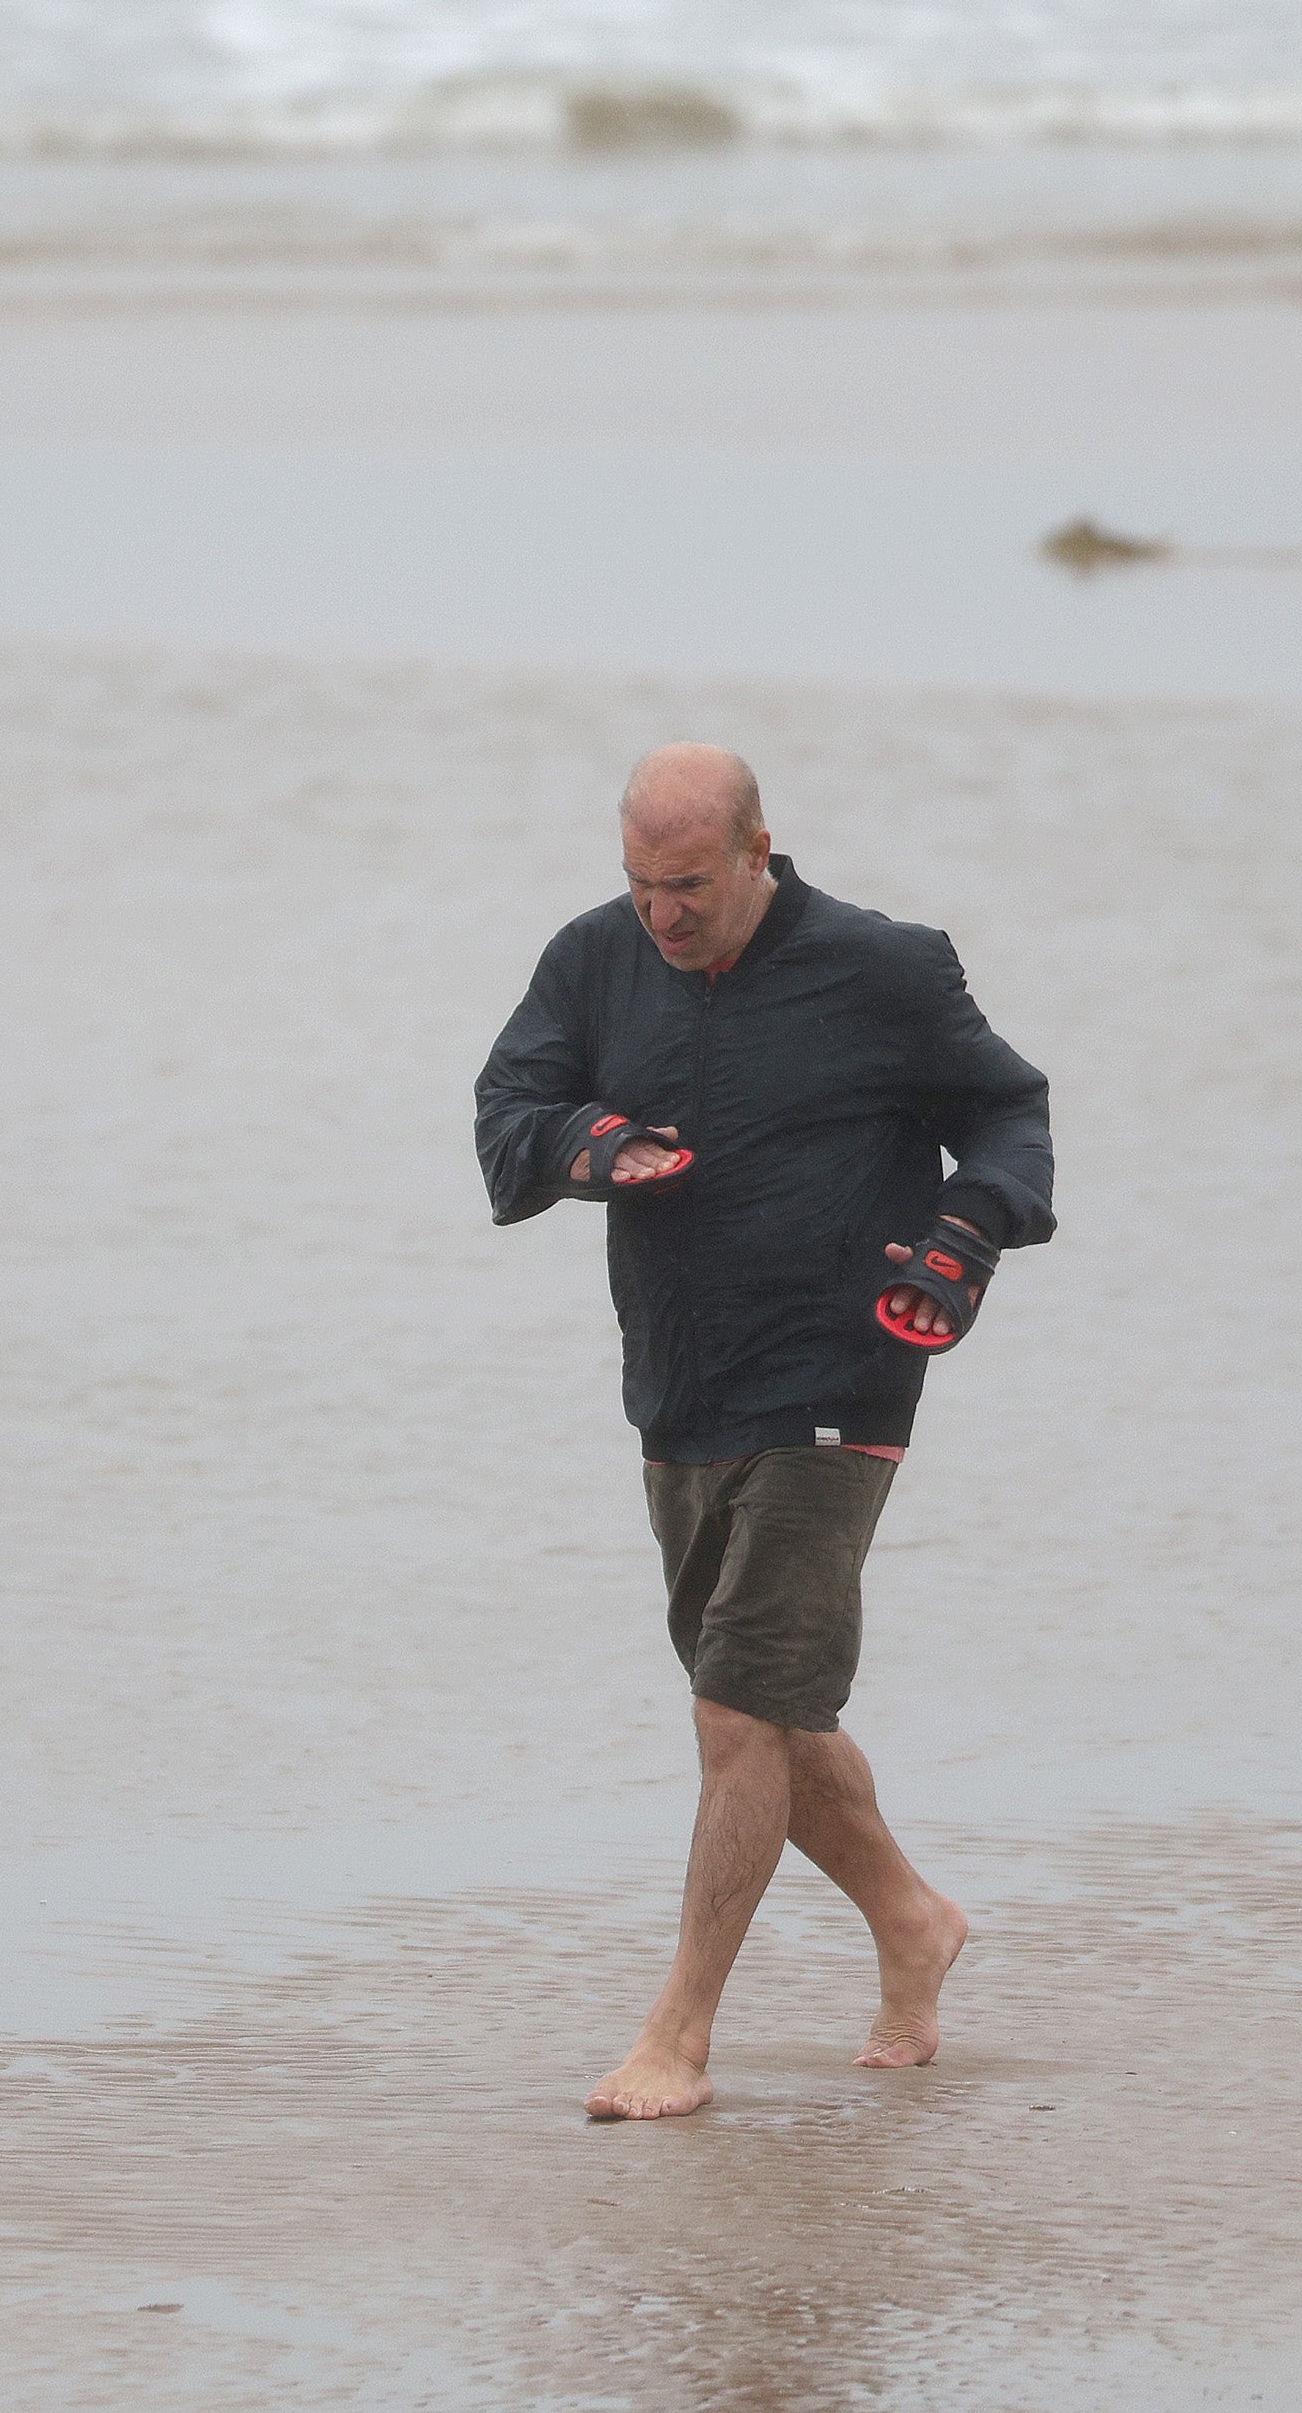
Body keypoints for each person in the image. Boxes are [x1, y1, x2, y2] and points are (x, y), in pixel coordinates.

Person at [474, 744, 1054, 2121]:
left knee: (735, 1709)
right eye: (639, 885)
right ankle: (913, 1919)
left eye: (686, 886)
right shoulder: (593, 961)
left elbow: (1010, 1113)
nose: (661, 916)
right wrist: (592, 1143)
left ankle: (678, 2034)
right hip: (681, 1379)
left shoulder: (887, 969)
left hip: (844, 1374)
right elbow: (508, 1110)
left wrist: (967, 1232)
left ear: (755, 851)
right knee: (771, 1713)